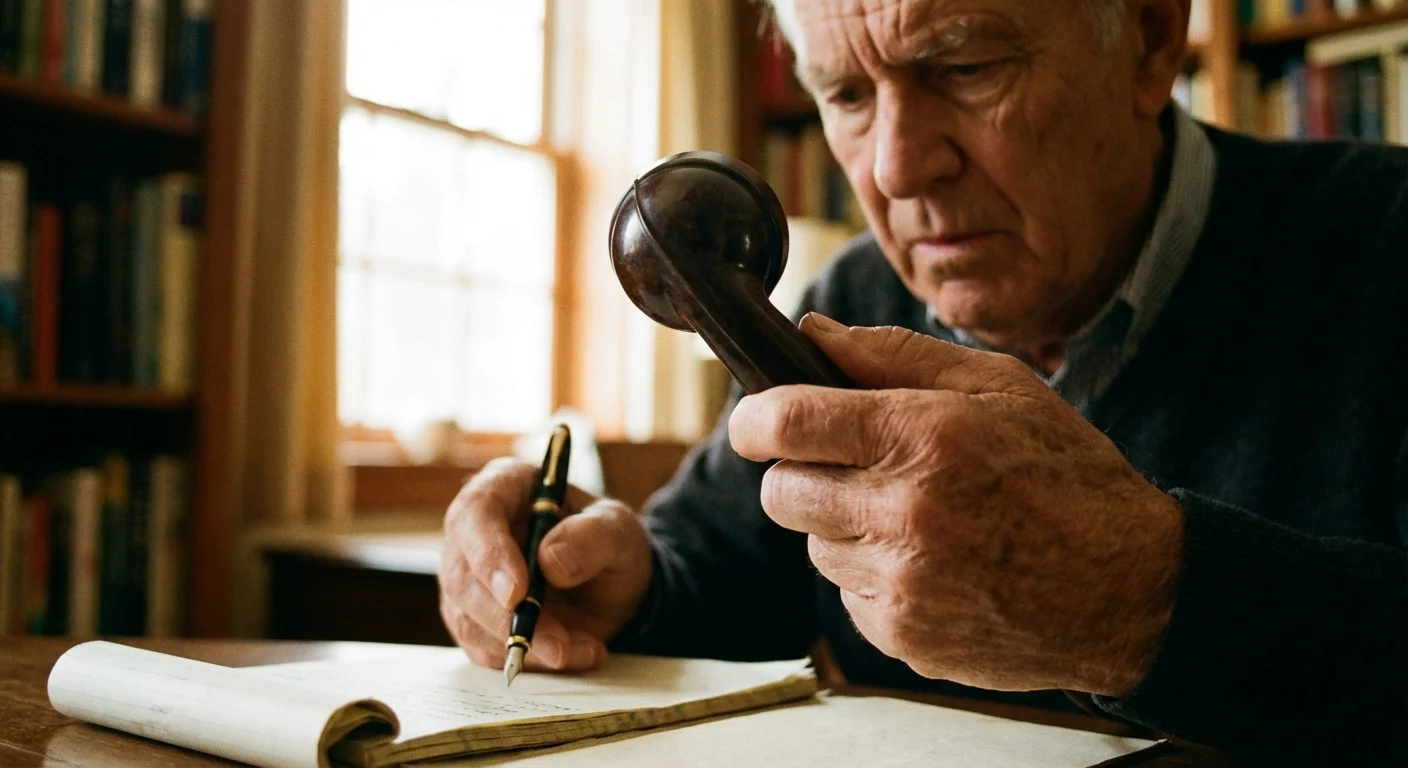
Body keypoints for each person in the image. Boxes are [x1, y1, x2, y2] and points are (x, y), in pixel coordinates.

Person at [437, 0, 1408, 763]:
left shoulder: (1385, 241)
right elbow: (722, 580)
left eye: (964, 67)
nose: (896, 170)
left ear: (1150, 39)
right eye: (847, 98)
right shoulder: (853, 291)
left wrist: (1144, 595)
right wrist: (607, 584)